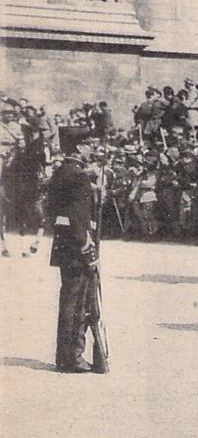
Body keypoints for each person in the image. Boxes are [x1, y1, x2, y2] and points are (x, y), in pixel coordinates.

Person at [47, 127, 104, 373]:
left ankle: (65, 356)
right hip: (77, 246)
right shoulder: (79, 177)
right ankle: (74, 357)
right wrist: (86, 248)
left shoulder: (62, 172)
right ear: (79, 148)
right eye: (89, 143)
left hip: (63, 245)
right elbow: (78, 219)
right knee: (78, 303)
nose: (93, 148)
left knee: (69, 300)